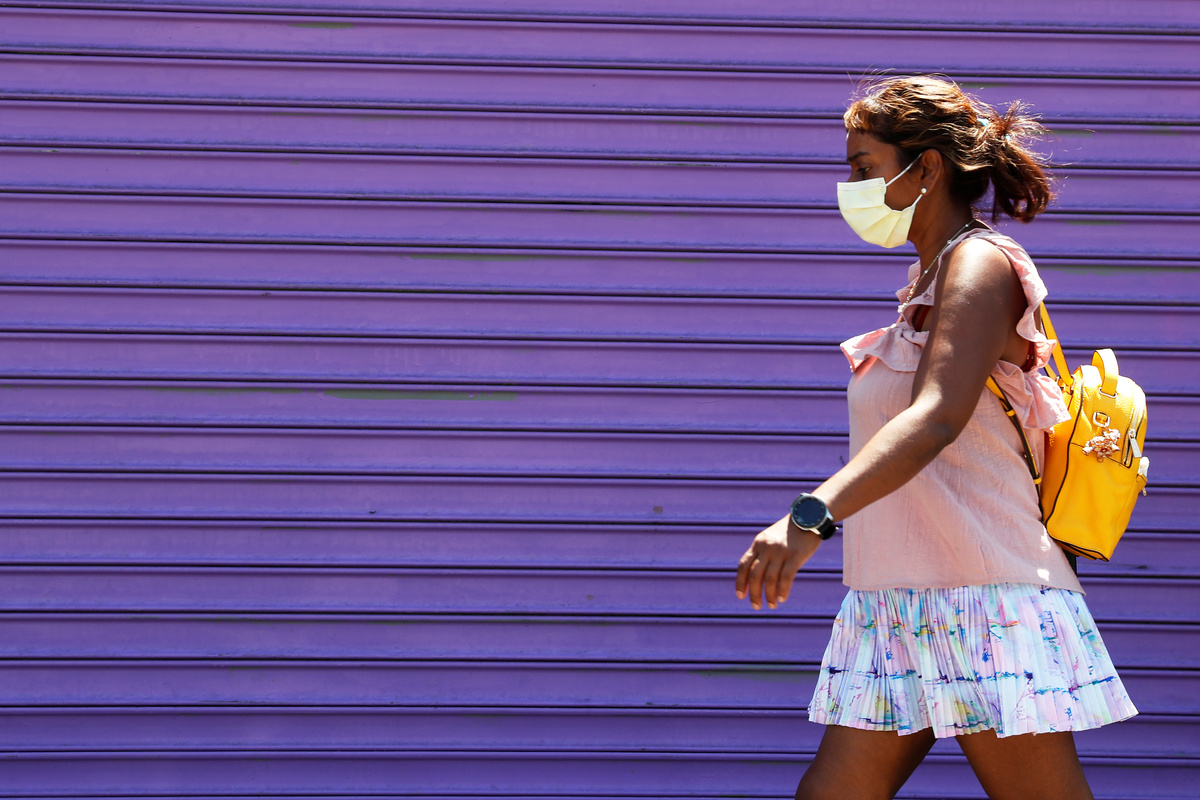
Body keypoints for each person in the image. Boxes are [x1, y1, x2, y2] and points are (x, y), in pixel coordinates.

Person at [734, 76, 1137, 800]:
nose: (852, 187)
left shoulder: (981, 264)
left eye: (865, 167)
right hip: (897, 603)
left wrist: (810, 516)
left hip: (982, 599)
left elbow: (937, 416)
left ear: (926, 168)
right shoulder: (926, 281)